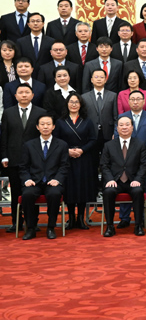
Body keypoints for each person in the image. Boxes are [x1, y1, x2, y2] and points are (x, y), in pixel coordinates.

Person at [0, 84, 46, 232]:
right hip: (14, 158)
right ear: (15, 96)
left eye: (27, 92)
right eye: (21, 92)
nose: (24, 95)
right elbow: (4, 136)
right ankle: (16, 222)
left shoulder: (41, 112)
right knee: (16, 192)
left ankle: (33, 222)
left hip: (35, 160)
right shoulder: (8, 113)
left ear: (33, 95)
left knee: (33, 191)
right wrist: (4, 156)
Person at [19, 114, 69, 240]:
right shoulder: (29, 145)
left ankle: (51, 227)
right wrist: (27, 179)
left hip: (53, 181)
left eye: (48, 124)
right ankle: (31, 228)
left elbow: (64, 166)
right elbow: (23, 166)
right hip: (34, 181)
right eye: (42, 124)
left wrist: (57, 179)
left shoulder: (62, 145)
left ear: (53, 126)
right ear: (37, 127)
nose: (45, 127)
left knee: (54, 194)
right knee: (27, 194)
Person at [99, 116, 146, 237]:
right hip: (115, 181)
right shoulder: (109, 145)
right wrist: (110, 179)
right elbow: (104, 165)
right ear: (117, 128)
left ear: (132, 128)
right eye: (121, 125)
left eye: (127, 124)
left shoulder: (140, 144)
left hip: (133, 181)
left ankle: (138, 225)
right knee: (108, 192)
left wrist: (138, 179)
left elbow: (143, 165)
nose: (124, 127)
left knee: (138, 191)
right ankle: (110, 226)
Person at [54, 93, 96, 230]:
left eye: (76, 102)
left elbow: (93, 140)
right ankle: (71, 218)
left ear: (80, 104)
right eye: (71, 102)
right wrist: (67, 151)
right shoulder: (60, 121)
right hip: (67, 159)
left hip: (84, 158)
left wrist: (82, 150)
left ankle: (81, 219)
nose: (74, 104)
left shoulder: (87, 121)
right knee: (70, 188)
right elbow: (56, 141)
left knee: (82, 188)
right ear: (67, 104)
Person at [117, 90, 146, 227]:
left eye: (138, 99)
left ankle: (144, 217)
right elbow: (117, 136)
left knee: (145, 190)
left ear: (144, 101)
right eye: (132, 99)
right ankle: (124, 218)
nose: (135, 102)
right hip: (125, 160)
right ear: (128, 102)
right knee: (125, 187)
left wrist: (140, 152)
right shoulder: (122, 117)